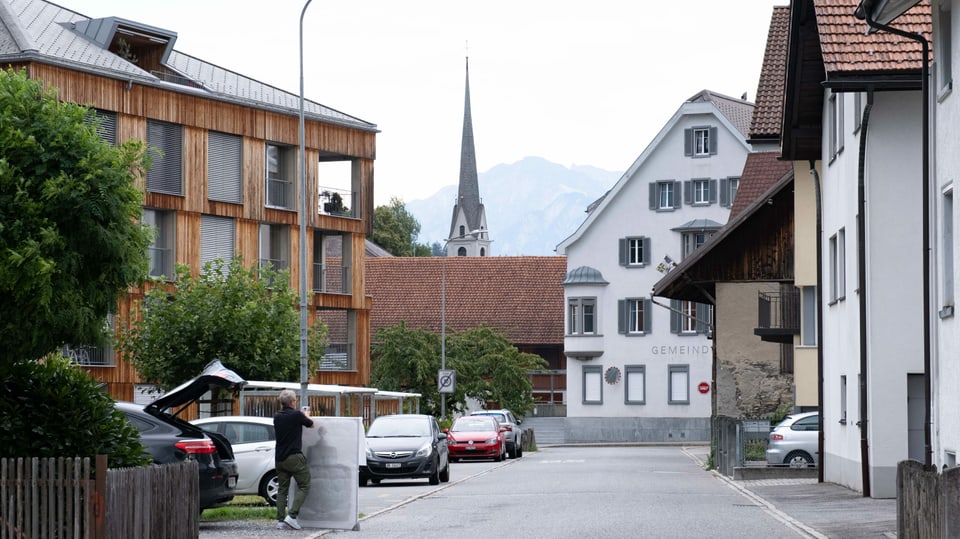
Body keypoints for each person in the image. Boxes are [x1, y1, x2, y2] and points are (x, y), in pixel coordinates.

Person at [273, 389, 315, 530]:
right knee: (304, 485)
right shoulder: (297, 415)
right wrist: (306, 415)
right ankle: (292, 516)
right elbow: (311, 424)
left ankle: (280, 521)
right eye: (295, 400)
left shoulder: (277, 416)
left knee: (282, 490)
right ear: (292, 402)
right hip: (294, 457)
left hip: (280, 458)